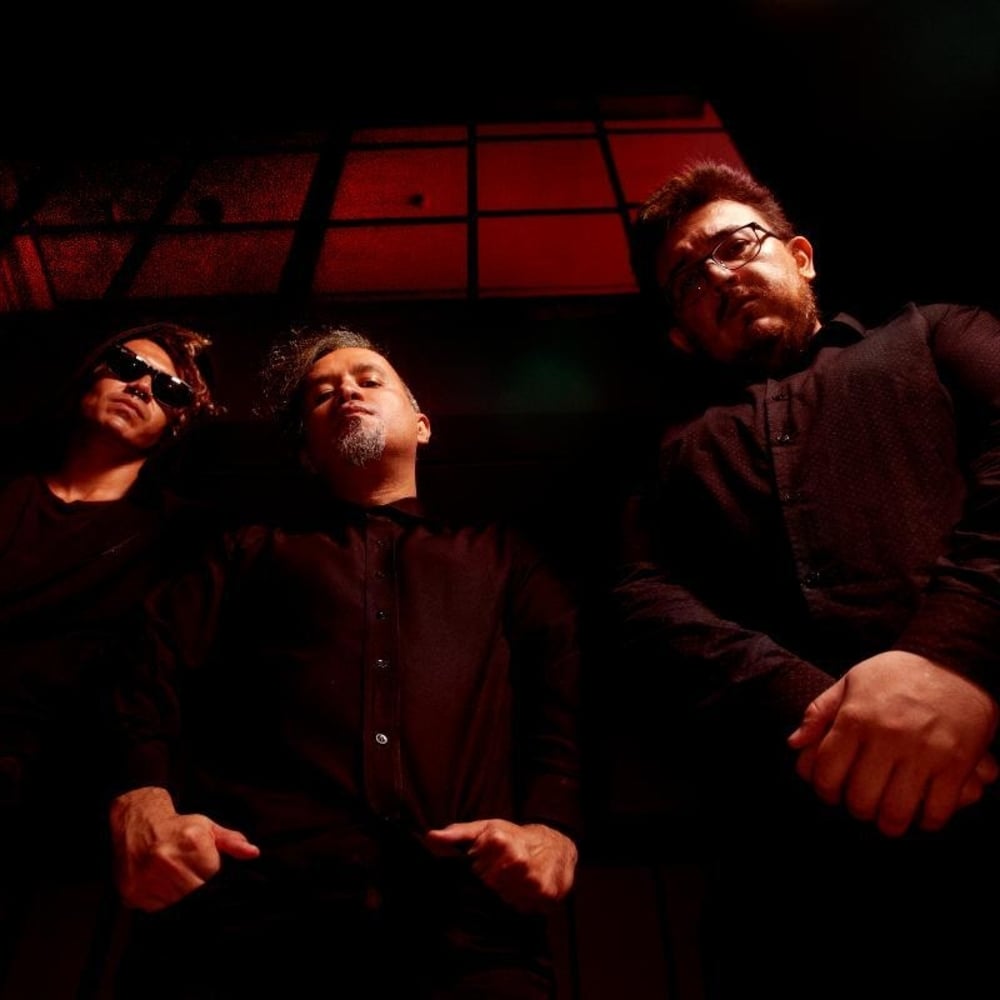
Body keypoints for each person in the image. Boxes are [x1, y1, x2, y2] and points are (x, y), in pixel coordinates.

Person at [613, 159, 1000, 996]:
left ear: (801, 255)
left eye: (735, 245)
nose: (719, 275)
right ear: (681, 333)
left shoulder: (938, 332)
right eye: (687, 277)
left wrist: (950, 653)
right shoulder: (670, 454)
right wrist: (818, 710)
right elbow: (641, 601)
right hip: (789, 863)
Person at [109, 325, 582, 999]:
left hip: (468, 932)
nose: (347, 393)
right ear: (306, 452)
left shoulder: (505, 558)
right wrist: (140, 795)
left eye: (368, 379)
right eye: (321, 394)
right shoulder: (244, 553)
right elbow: (144, 664)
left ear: (422, 425)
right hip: (247, 929)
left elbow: (562, 700)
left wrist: (554, 827)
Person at [0, 322, 219, 996]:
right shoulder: (7, 490)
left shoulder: (182, 538)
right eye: (127, 364)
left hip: (43, 811)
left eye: (170, 389)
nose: (142, 386)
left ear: (176, 424)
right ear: (88, 376)